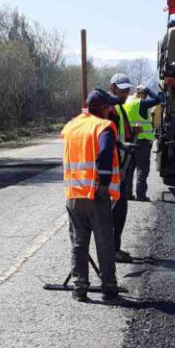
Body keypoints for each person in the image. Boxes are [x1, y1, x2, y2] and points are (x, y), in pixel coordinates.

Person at [61, 88, 123, 302]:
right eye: (110, 106)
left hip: (74, 193)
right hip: (95, 193)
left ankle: (79, 288)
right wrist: (104, 184)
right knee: (104, 241)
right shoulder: (103, 126)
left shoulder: (71, 126)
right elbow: (104, 152)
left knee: (79, 242)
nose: (112, 109)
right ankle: (109, 287)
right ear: (103, 108)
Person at [107, 73, 136, 263]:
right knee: (116, 211)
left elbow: (121, 137)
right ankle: (112, 250)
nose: (125, 93)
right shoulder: (110, 110)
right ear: (112, 88)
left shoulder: (119, 108)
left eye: (127, 90)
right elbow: (111, 143)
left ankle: (114, 248)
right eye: (122, 89)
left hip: (120, 165)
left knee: (120, 210)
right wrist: (118, 169)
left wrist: (133, 132)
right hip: (115, 168)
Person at [123, 84, 164, 202]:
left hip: (128, 140)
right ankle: (140, 196)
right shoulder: (140, 103)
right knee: (142, 168)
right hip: (142, 141)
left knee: (129, 168)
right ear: (142, 93)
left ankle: (127, 194)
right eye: (145, 94)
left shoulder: (127, 101)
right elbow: (158, 100)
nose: (146, 97)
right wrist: (148, 90)